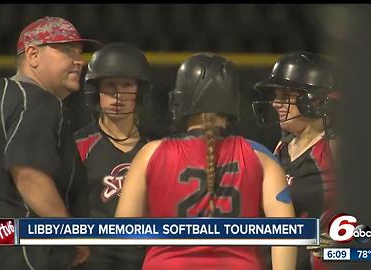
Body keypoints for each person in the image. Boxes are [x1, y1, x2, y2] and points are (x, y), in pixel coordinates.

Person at [0, 16, 102, 270]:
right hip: (23, 251)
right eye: (66, 50)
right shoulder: (38, 101)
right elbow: (29, 174)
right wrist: (71, 233)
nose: (79, 61)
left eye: (79, 53)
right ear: (33, 55)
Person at [116, 53, 297, 270]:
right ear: (232, 102)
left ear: (180, 100)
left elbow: (125, 228)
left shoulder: (150, 153)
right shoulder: (260, 157)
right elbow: (286, 233)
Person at [252, 51, 339, 270]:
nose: (274, 104)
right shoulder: (281, 148)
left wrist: (349, 234)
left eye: (284, 96)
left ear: (314, 101)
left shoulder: (333, 148)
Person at [74, 42, 152, 269]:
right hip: (93, 261)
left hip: (144, 259)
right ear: (95, 91)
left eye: (127, 84)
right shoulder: (77, 145)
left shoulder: (155, 148)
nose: (118, 95)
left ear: (140, 91)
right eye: (109, 85)